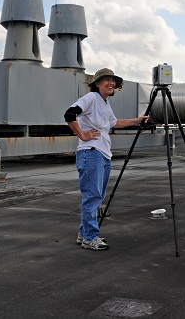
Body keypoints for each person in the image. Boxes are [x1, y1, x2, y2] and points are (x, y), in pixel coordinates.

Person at [64, 68, 148, 251]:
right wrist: (82, 135)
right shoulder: (91, 98)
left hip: (102, 154)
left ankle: (84, 233)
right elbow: (69, 114)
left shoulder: (104, 103)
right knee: (92, 196)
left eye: (113, 80)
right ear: (97, 84)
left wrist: (137, 120)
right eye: (106, 80)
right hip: (91, 152)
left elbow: (114, 123)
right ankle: (90, 237)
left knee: (96, 196)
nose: (111, 83)